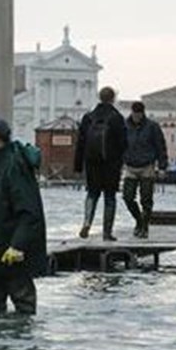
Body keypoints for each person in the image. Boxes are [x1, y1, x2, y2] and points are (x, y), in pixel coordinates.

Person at [0, 118, 47, 315]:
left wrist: (18, 246)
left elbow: (29, 211)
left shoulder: (14, 165)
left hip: (12, 254)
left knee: (23, 305)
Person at [73, 86, 127, 240]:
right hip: (111, 164)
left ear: (99, 97)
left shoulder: (88, 117)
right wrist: (121, 160)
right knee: (109, 197)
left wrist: (78, 165)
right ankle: (107, 233)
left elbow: (80, 143)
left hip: (91, 163)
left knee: (92, 193)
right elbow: (123, 143)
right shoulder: (116, 118)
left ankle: (87, 223)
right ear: (113, 98)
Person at [121, 101, 168, 238]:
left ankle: (144, 227)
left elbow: (160, 147)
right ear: (132, 112)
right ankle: (139, 221)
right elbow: (119, 145)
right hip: (130, 166)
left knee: (146, 200)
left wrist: (162, 167)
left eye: (139, 114)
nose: (136, 117)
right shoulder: (124, 126)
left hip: (147, 166)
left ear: (142, 113)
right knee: (127, 197)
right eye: (135, 114)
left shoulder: (152, 127)